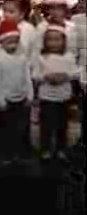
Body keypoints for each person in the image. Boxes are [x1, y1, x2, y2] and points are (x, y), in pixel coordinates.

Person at [32, 23, 80, 162]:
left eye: (57, 39)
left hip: (63, 97)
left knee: (62, 125)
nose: (53, 43)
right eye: (50, 40)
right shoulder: (42, 58)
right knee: (46, 125)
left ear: (64, 41)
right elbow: (35, 75)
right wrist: (46, 77)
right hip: (46, 97)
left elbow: (75, 73)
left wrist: (65, 76)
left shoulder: (69, 57)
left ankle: (60, 149)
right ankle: (45, 149)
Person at [0, 19, 33, 165]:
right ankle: (3, 153)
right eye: (9, 42)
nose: (12, 45)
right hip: (5, 101)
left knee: (19, 129)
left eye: (15, 41)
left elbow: (27, 77)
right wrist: (0, 100)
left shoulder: (22, 58)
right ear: (1, 42)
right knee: (3, 129)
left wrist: (30, 95)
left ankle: (17, 152)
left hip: (20, 99)